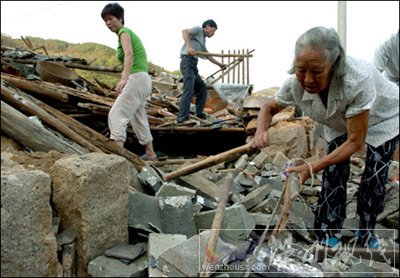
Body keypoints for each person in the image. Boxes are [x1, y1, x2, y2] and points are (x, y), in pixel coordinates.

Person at [251, 26, 399, 249]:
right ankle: (327, 232)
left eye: (317, 71)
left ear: (334, 65)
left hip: (384, 116)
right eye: (302, 70)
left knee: (374, 176)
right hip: (339, 119)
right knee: (333, 171)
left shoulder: (356, 80)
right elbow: (268, 107)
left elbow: (355, 141)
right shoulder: (294, 84)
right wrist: (260, 132)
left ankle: (367, 233)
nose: (308, 79)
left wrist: (310, 168)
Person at [101, 3, 157, 160]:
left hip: (136, 78)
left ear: (120, 18)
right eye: (105, 20)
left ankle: (116, 157)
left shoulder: (124, 32)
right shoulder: (126, 33)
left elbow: (129, 54)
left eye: (111, 18)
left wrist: (124, 78)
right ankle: (151, 153)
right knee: (138, 117)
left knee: (116, 114)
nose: (108, 23)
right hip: (143, 79)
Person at [177, 19, 227, 123]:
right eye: (212, 31)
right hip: (187, 62)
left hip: (193, 65)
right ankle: (182, 117)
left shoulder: (202, 41)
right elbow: (184, 31)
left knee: (202, 88)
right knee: (189, 89)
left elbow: (208, 55)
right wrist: (188, 47)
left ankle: (199, 113)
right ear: (207, 27)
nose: (213, 34)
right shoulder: (199, 30)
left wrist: (220, 65)